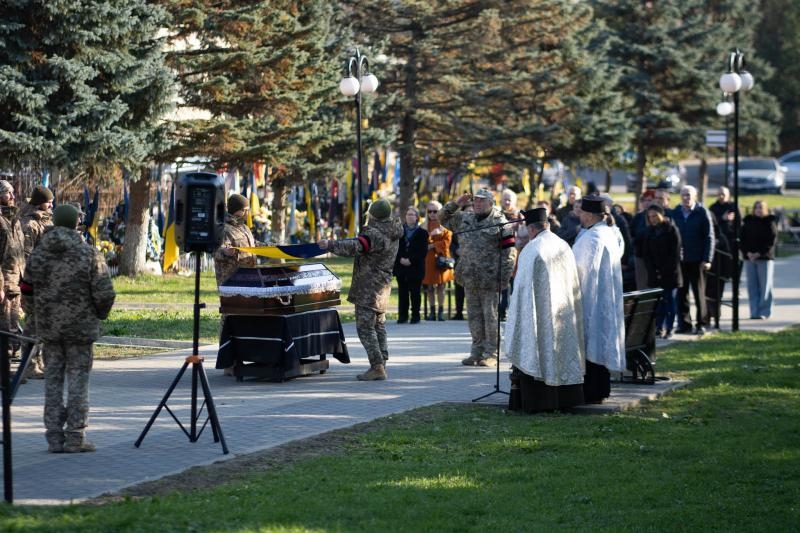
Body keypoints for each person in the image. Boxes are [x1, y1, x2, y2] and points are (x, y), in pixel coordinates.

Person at [21, 204, 116, 453]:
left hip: (50, 330)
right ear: (76, 224)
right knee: (78, 381)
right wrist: (99, 314)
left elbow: (26, 290)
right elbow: (105, 293)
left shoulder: (39, 255)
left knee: (52, 381)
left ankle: (54, 438)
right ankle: (75, 437)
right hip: (81, 330)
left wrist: (36, 315)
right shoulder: (88, 254)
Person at [504, 207, 585, 413]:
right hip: (563, 313)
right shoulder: (563, 245)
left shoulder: (532, 249)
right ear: (546, 225)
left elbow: (521, 290)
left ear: (530, 229)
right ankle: (566, 400)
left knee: (539, 351)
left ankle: (538, 401)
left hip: (539, 315)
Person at [319, 199, 402, 381]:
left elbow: (356, 246)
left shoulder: (374, 234)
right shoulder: (393, 230)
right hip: (383, 285)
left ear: (372, 215)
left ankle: (377, 366)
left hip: (368, 286)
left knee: (365, 327)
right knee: (379, 325)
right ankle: (382, 362)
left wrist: (330, 245)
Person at [439, 188, 516, 367]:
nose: (477, 204)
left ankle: (491, 353)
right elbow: (442, 217)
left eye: (482, 201)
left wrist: (503, 279)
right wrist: (457, 202)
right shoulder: (465, 218)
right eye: (475, 201)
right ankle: (476, 351)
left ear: (491, 203)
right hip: (469, 276)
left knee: (490, 317)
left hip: (490, 279)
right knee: (473, 316)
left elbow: (510, 254)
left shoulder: (501, 224)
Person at [571, 195, 625, 404]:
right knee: (599, 343)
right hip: (603, 298)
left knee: (592, 344)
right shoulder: (605, 233)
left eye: (582, 212)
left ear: (591, 215)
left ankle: (593, 391)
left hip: (591, 299)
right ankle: (599, 389)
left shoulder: (594, 238)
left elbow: (581, 269)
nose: (580, 216)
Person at [18, 184, 54, 379]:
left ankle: (37, 361)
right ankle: (29, 364)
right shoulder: (30, 224)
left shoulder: (47, 220)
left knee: (42, 324)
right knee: (33, 324)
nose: (51, 204)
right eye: (49, 201)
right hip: (34, 280)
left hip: (46, 279)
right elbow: (26, 255)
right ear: (40, 202)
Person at [671, 185, 714, 335]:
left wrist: (707, 258)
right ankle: (684, 324)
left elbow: (709, 237)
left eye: (688, 195)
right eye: (683, 195)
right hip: (680, 261)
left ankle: (701, 323)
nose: (686, 198)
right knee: (681, 294)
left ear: (695, 196)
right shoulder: (675, 212)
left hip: (697, 260)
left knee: (698, 293)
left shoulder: (702, 212)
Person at [642, 205, 682, 338]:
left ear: (661, 215)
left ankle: (669, 327)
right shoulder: (649, 231)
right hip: (654, 273)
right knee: (658, 302)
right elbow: (646, 254)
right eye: (650, 217)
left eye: (655, 216)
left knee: (669, 300)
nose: (652, 219)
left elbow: (674, 254)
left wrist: (663, 270)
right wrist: (653, 270)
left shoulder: (671, 230)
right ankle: (659, 327)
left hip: (670, 272)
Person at [0, 180, 25, 362]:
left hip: (16, 282)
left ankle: (11, 368)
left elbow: (20, 252)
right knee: (4, 328)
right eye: (8, 193)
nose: (13, 196)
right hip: (4, 283)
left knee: (13, 327)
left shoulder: (14, 220)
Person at [740, 200, 778, 320]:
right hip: (749, 258)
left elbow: (771, 241)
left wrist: (758, 253)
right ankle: (754, 312)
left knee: (765, 286)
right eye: (756, 208)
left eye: (761, 208)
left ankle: (764, 312)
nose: (758, 210)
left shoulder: (769, 222)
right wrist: (748, 253)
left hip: (764, 258)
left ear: (765, 209)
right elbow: (741, 239)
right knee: (752, 286)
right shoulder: (748, 222)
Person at [214, 193, 259, 287]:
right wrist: (225, 252)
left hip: (250, 276)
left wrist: (272, 247)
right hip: (232, 279)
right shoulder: (223, 228)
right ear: (235, 210)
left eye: (248, 210)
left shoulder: (244, 228)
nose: (247, 214)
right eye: (243, 210)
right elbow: (216, 250)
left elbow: (253, 244)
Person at [393, 206, 428, 324]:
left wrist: (411, 260)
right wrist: (401, 259)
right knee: (402, 292)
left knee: (415, 292)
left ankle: (415, 315)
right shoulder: (399, 232)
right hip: (401, 266)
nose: (410, 216)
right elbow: (394, 248)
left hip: (415, 267)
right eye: (408, 214)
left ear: (417, 217)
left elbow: (422, 251)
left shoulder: (422, 233)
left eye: (412, 214)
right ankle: (403, 315)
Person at [421, 200, 454, 321]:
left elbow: (447, 241)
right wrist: (431, 237)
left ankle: (440, 311)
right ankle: (432, 311)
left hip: (442, 259)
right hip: (428, 260)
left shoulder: (446, 224)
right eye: (430, 211)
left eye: (435, 211)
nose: (432, 214)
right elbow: (420, 242)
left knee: (441, 286)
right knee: (429, 287)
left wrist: (434, 245)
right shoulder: (423, 225)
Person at [498, 189, 522, 321]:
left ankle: (514, 311)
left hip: (516, 253)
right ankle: (502, 310)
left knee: (515, 283)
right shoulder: (497, 215)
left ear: (514, 201)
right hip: (501, 253)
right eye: (505, 199)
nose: (507, 202)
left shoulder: (519, 216)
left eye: (509, 199)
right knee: (503, 284)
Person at [630, 190, 656, 290]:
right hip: (640, 256)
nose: (646, 203)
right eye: (644, 200)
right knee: (641, 286)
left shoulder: (659, 216)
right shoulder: (638, 217)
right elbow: (631, 234)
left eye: (649, 200)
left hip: (655, 257)